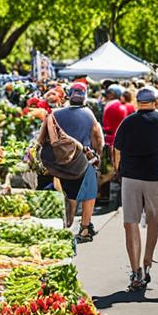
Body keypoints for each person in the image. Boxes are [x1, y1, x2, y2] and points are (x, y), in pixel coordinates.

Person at [112, 86, 158, 291]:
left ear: (138, 102)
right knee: (154, 222)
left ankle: (135, 268)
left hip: (131, 176)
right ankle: (147, 262)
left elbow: (117, 149)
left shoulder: (128, 122)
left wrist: (118, 168)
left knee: (131, 222)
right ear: (155, 101)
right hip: (155, 177)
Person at [52, 83, 103, 241]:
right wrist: (98, 154)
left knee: (67, 194)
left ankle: (66, 225)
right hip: (82, 159)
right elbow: (98, 137)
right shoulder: (88, 113)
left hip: (60, 160)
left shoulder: (56, 113)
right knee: (89, 193)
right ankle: (85, 228)